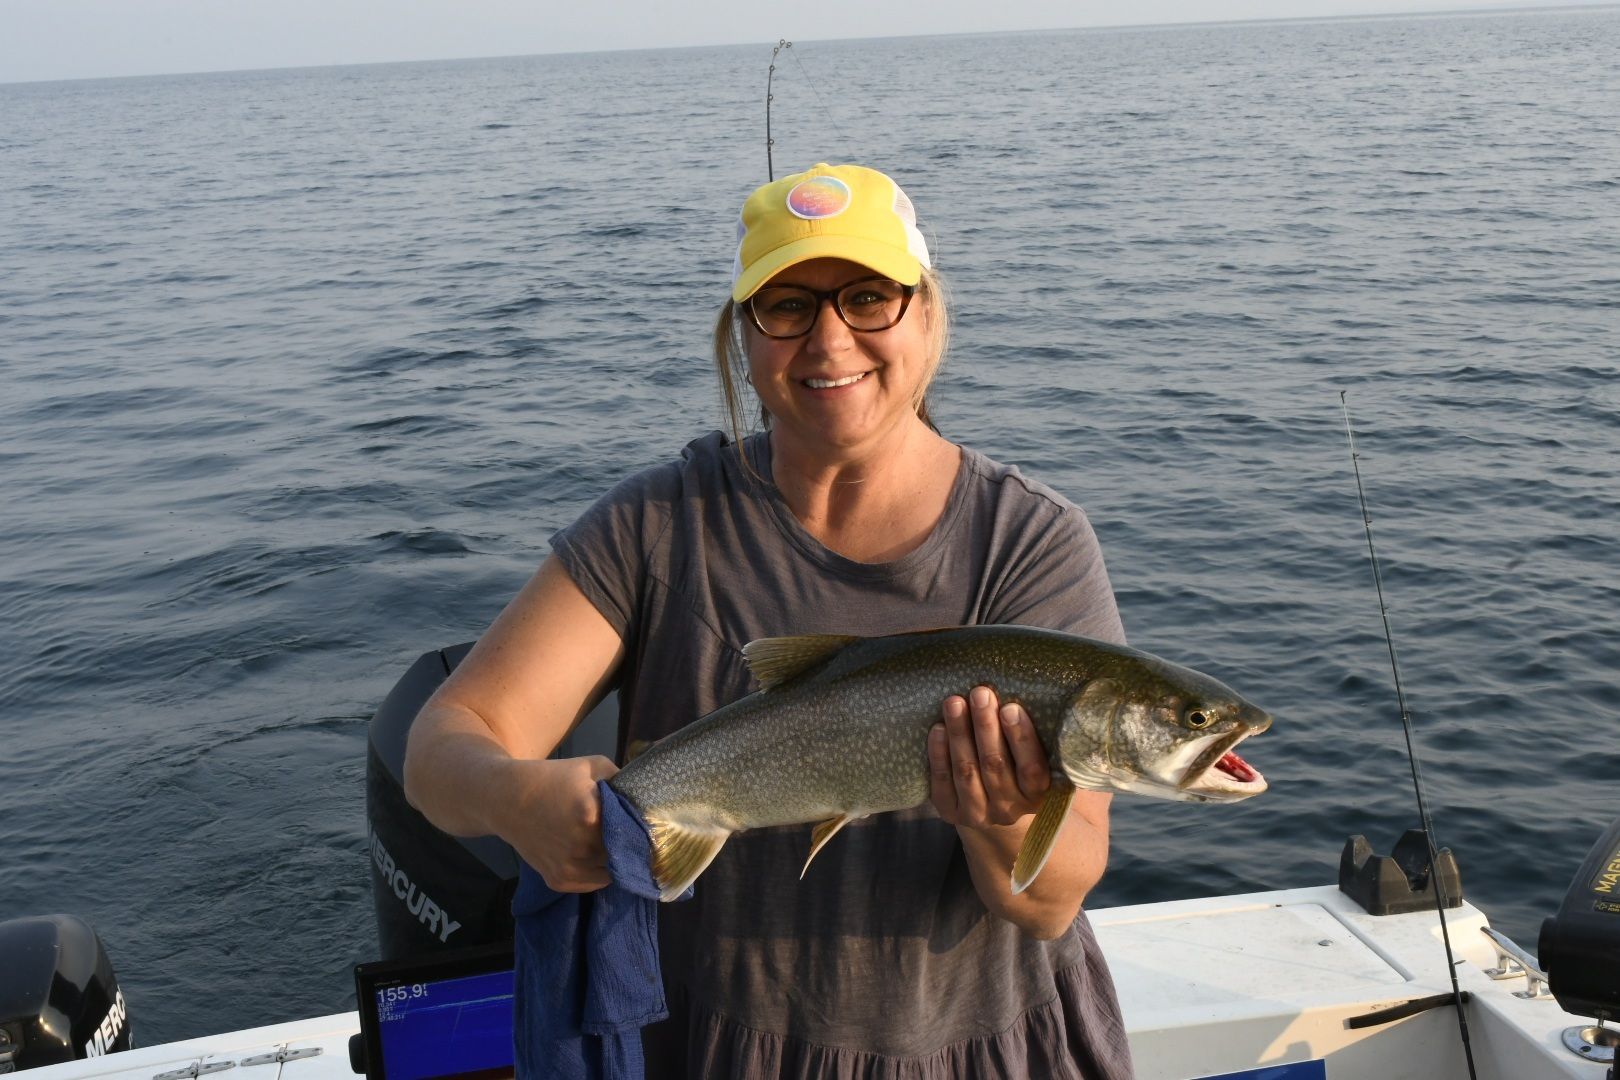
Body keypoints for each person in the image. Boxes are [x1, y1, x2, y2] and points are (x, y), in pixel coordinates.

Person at [403, 162, 1135, 1079]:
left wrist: (997, 820)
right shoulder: (659, 528)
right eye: (786, 307)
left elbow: (1047, 904)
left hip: (977, 1044)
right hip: (712, 1046)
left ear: (929, 315)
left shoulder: (1030, 542)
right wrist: (519, 803)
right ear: (742, 339)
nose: (830, 341)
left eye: (870, 297)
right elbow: (440, 748)